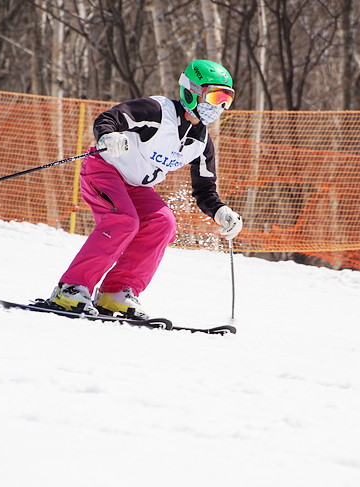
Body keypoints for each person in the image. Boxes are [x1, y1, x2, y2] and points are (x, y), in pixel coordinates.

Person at [49, 59, 243, 319]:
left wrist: (221, 212)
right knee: (123, 222)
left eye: (226, 100)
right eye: (215, 95)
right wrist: (108, 136)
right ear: (191, 90)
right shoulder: (157, 111)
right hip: (104, 170)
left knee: (163, 223)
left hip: (136, 186)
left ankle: (116, 293)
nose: (218, 107)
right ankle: (71, 288)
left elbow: (205, 190)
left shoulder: (201, 142)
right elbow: (109, 118)